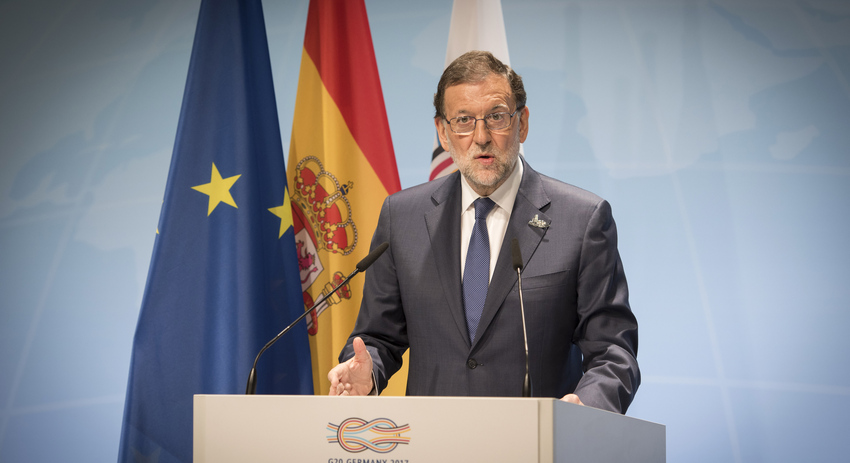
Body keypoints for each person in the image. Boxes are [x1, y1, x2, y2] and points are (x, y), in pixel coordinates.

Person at [327, 50, 639, 414]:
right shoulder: (402, 217)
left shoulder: (582, 220)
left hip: (536, 438)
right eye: (463, 120)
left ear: (522, 123)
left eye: (496, 117)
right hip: (432, 437)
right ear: (443, 132)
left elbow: (612, 351)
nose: (481, 137)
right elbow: (378, 337)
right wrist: (367, 372)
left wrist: (587, 406)